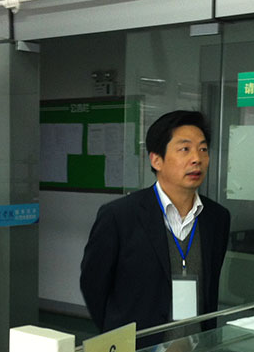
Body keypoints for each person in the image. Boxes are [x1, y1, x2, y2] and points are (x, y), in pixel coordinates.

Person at [80, 110, 230, 340]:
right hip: (138, 349)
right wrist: (118, 336)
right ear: (156, 160)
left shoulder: (217, 218)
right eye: (185, 149)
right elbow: (93, 285)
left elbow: (210, 289)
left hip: (197, 349)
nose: (197, 159)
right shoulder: (119, 215)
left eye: (203, 149)